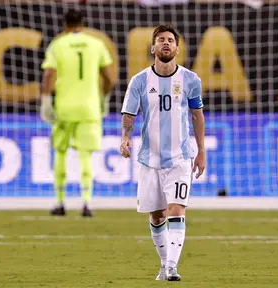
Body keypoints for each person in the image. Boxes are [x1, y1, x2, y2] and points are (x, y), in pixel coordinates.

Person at [120, 24, 205, 281]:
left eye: (170, 40)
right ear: (153, 48)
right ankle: (164, 263)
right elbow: (129, 115)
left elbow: (197, 115)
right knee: (157, 216)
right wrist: (125, 138)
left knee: (176, 210)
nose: (166, 43)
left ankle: (171, 267)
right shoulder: (139, 81)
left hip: (180, 158)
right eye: (161, 40)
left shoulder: (191, 80)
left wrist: (201, 151)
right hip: (150, 160)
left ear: (177, 48)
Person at [40, 9, 115, 217]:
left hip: (64, 108)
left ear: (65, 25)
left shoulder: (58, 44)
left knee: (61, 153)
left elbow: (48, 75)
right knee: (85, 156)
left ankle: (60, 202)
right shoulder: (97, 44)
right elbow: (110, 78)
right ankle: (86, 203)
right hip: (89, 108)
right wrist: (104, 97)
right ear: (83, 24)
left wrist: (46, 101)